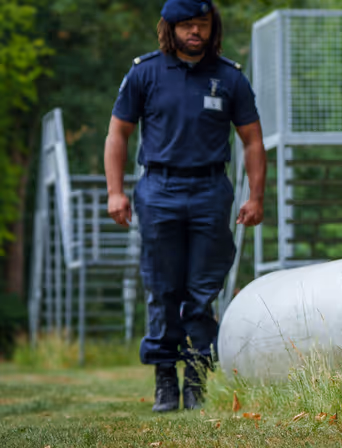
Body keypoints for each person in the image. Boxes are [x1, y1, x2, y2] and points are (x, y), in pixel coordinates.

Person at [103, 0, 266, 412]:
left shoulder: (229, 78)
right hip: (158, 189)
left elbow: (252, 140)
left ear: (213, 27)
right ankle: (165, 381)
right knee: (162, 287)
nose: (196, 31)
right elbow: (117, 134)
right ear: (170, 28)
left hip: (211, 191)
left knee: (202, 291)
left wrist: (256, 197)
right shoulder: (144, 73)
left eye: (203, 24)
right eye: (187, 25)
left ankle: (195, 378)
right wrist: (115, 191)